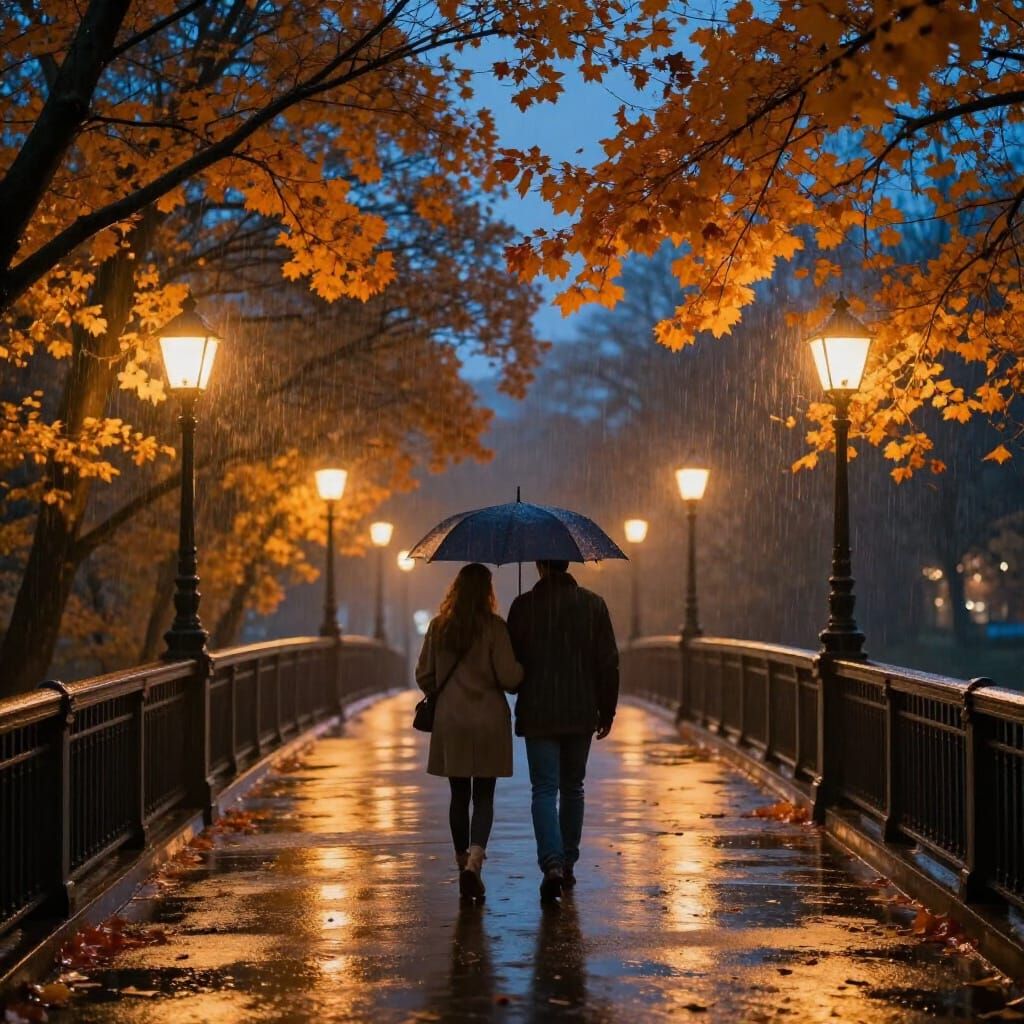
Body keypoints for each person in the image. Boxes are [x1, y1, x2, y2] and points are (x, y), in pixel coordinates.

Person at [507, 559, 619, 901]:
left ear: (539, 565)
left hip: (539, 711)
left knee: (544, 788)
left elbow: (512, 667)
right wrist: (607, 710)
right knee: (573, 787)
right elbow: (608, 663)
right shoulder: (593, 605)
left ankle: (552, 864)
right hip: (580, 710)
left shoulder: (524, 606)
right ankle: (568, 862)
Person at [416, 562, 523, 900]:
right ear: (487, 592)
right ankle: (475, 862)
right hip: (489, 721)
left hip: (452, 720)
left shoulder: (439, 627)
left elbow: (424, 675)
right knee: (485, 796)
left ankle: (461, 859)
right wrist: (521, 665)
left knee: (459, 795)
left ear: (456, 590)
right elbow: (510, 679)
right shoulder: (495, 628)